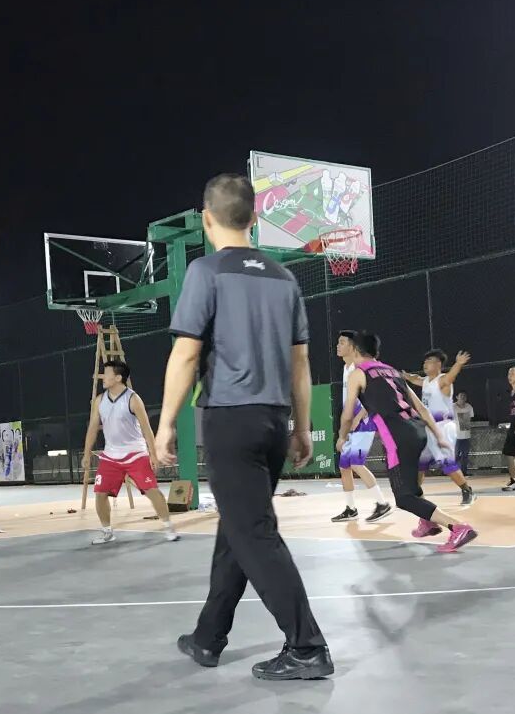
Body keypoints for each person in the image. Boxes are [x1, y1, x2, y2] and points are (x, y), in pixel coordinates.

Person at [156, 173, 332, 681]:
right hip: (274, 420)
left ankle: (307, 647)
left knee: (253, 532)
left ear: (205, 219)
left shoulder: (205, 272)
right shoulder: (284, 278)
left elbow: (186, 354)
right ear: (254, 217)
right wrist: (302, 427)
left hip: (231, 420)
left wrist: (166, 424)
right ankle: (208, 636)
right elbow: (301, 363)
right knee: (237, 528)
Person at [338, 332, 478, 553]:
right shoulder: (392, 371)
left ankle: (458, 527)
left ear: (355, 349)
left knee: (404, 497)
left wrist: (342, 437)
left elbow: (347, 415)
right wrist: (438, 436)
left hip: (398, 437)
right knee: (411, 484)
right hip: (418, 431)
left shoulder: (358, 373)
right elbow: (420, 408)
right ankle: (427, 522)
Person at [81, 360, 179, 545]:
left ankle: (168, 527)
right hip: (111, 455)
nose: (103, 377)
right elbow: (93, 427)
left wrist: (153, 454)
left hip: (136, 453)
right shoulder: (99, 401)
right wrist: (87, 453)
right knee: (100, 493)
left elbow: (146, 428)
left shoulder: (133, 399)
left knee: (152, 491)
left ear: (118, 378)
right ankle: (107, 532)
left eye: (107, 374)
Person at [331, 330, 392, 523]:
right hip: (351, 424)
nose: (338, 346)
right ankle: (351, 508)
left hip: (363, 423)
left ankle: (382, 503)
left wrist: (358, 417)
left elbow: (373, 397)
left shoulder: (360, 368)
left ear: (353, 347)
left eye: (342, 342)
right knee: (344, 466)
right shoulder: (346, 368)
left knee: (356, 463)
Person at [402, 350, 477, 505]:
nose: (425, 363)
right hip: (428, 427)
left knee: (446, 462)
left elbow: (451, 376)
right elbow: (414, 378)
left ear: (438, 364)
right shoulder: (425, 381)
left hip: (443, 427)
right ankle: (415, 493)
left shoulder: (442, 380)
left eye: (429, 360)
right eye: (424, 361)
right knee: (420, 462)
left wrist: (458, 364)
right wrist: (403, 376)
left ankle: (467, 490)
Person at [454, 392, 475, 476]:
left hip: (466, 435)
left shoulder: (469, 407)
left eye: (464, 396)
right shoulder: (452, 407)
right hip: (455, 435)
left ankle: (463, 472)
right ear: (457, 397)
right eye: (461, 396)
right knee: (455, 455)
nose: (463, 397)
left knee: (465, 455)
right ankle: (453, 472)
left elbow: (470, 419)